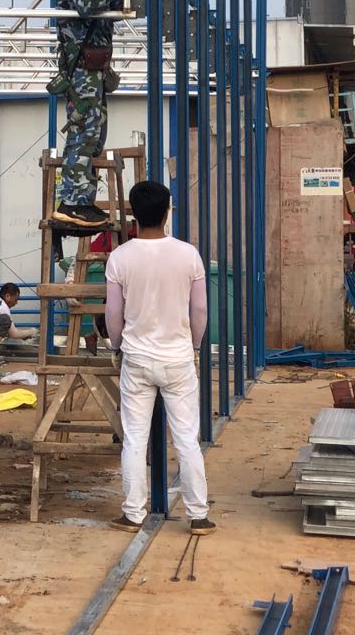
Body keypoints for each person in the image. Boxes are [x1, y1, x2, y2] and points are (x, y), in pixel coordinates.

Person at [104, 180, 214, 536]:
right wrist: (194, 345)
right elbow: (200, 309)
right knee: (186, 438)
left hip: (136, 359)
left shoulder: (120, 257)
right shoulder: (188, 255)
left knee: (135, 439)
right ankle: (198, 515)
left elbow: (113, 313)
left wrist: (117, 345)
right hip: (178, 358)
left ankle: (133, 513)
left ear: (133, 214)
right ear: (168, 212)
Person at [50, 0, 142, 230]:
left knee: (94, 134)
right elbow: (85, 3)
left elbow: (107, 5)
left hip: (94, 68)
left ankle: (83, 200)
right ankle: (72, 202)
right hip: (82, 68)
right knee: (84, 132)